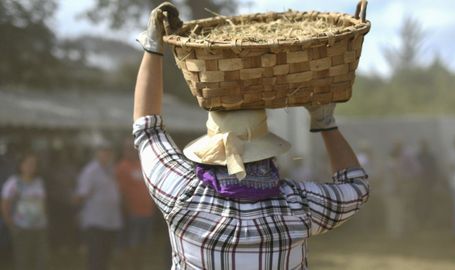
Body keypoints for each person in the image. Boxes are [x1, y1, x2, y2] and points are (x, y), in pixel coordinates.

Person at [132, 3, 369, 269]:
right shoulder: (296, 205)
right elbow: (355, 187)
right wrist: (325, 123)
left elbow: (147, 128)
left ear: (211, 146)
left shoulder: (182, 195)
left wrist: (153, 47)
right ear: (265, 147)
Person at [74, 142, 123, 270]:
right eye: (103, 152)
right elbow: (81, 195)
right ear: (97, 154)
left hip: (111, 222)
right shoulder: (90, 171)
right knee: (95, 258)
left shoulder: (112, 169)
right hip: (95, 223)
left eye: (108, 152)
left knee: (106, 258)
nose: (106, 155)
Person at [1, 153, 49, 270]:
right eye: (28, 164)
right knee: (23, 261)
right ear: (21, 165)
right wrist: (11, 224)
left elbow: (43, 202)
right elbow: (5, 204)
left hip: (39, 227)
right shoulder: (14, 182)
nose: (31, 167)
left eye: (33, 164)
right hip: (21, 228)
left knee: (41, 260)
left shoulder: (39, 181)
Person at [116, 139, 155, 270]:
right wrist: (127, 210)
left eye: (133, 149)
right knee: (133, 243)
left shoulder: (142, 164)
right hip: (133, 213)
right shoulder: (122, 167)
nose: (131, 152)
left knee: (144, 243)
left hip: (147, 212)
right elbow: (122, 192)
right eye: (128, 149)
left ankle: (140, 265)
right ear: (124, 151)